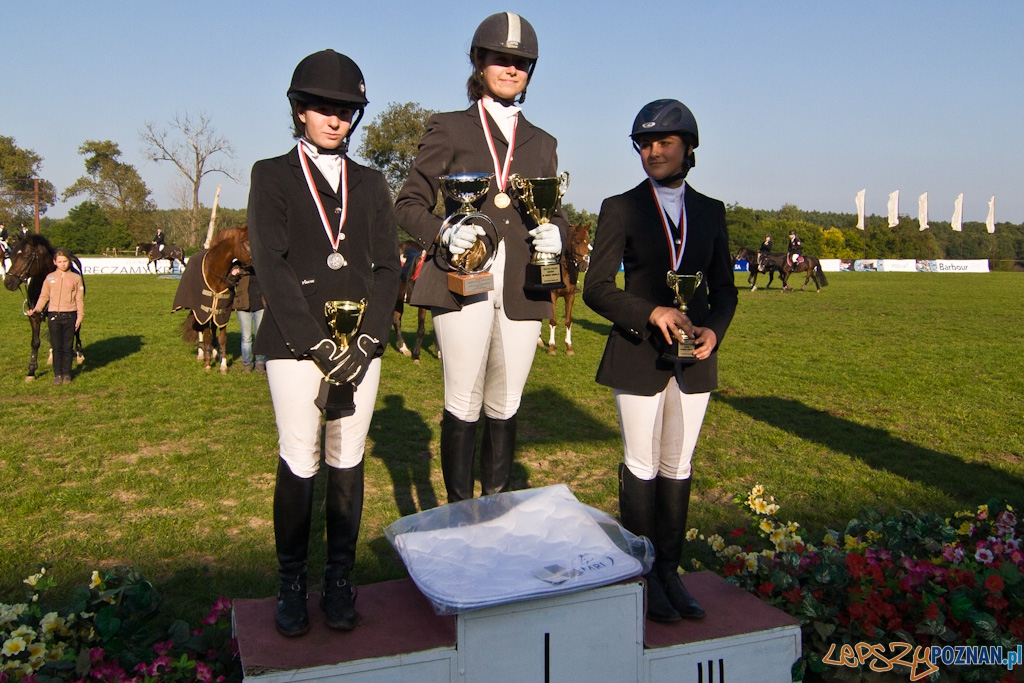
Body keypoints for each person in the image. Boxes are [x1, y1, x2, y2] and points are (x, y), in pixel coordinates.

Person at [248, 49, 400, 637]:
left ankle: (339, 577)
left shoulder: (370, 182)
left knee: (347, 458)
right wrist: (318, 345)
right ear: (300, 111)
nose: (334, 120)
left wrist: (366, 340)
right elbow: (272, 264)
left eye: (345, 111)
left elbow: (388, 267)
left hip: (359, 348)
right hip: (295, 344)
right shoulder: (272, 175)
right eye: (322, 109)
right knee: (299, 457)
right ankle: (292, 579)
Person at [394, 11, 567, 503]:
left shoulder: (544, 142)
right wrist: (442, 231)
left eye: (521, 63)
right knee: (463, 402)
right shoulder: (448, 128)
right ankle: (457, 514)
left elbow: (551, 212)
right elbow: (407, 203)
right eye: (500, 59)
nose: (511, 69)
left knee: (506, 404)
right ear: (478, 62)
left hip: (522, 289)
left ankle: (495, 511)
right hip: (462, 283)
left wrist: (557, 231)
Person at [583, 99, 738, 623]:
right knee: (642, 463)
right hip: (637, 354)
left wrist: (714, 329)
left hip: (695, 358)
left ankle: (671, 569)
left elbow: (725, 291)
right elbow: (596, 289)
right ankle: (642, 572)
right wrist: (650, 311)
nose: (652, 151)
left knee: (679, 463)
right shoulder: (620, 207)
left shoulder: (712, 211)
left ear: (688, 148)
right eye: (644, 144)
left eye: (663, 142)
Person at [29, 249, 84, 386]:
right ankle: (57, 375)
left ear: (69, 262)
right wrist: (36, 309)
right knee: (56, 347)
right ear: (55, 262)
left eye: (65, 261)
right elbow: (44, 297)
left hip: (70, 315)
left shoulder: (76, 278)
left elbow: (79, 299)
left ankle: (67, 374)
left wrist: (79, 316)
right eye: (59, 262)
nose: (63, 264)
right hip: (54, 316)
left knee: (67, 347)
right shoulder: (49, 278)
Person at [232, 266, 267, 373]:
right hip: (243, 307)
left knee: (259, 336)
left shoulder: (261, 266)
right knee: (246, 337)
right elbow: (229, 283)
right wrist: (233, 275)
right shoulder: (238, 267)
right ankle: (247, 363)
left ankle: (260, 363)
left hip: (260, 306)